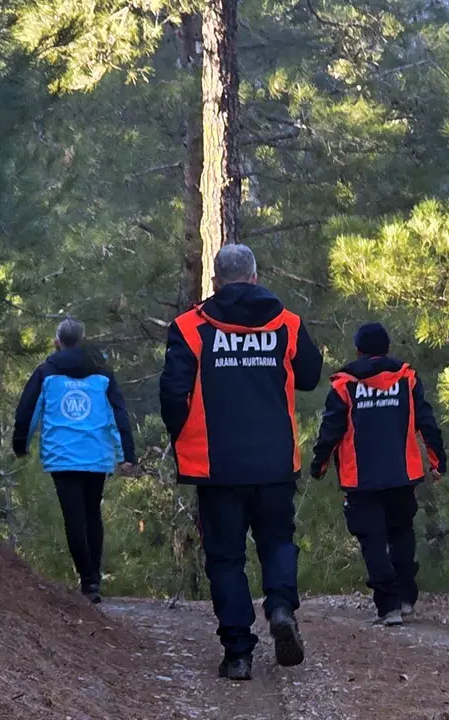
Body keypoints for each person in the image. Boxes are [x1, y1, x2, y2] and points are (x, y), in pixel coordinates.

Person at [159, 244, 323, 681]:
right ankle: (281, 606)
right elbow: (309, 376)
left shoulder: (190, 328)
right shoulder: (286, 323)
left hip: (217, 466)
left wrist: (180, 436)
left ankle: (237, 654)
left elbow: (173, 393)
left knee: (226, 558)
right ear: (254, 277)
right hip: (273, 462)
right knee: (277, 542)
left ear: (215, 281)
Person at [310, 322, 446, 627]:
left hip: (361, 479)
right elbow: (426, 420)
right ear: (386, 349)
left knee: (372, 540)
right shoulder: (406, 379)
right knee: (401, 533)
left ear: (359, 350)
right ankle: (407, 597)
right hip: (402, 473)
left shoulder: (345, 385)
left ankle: (389, 607)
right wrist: (438, 461)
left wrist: (318, 465)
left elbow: (330, 430)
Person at [13, 317, 136, 604]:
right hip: (96, 455)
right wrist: (126, 455)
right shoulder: (103, 373)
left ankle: (88, 581)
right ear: (83, 340)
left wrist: (21, 444)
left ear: (58, 342)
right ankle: (94, 579)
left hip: (62, 456)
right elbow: (118, 414)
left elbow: (28, 412)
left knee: (74, 517)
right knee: (92, 513)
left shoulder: (46, 372)